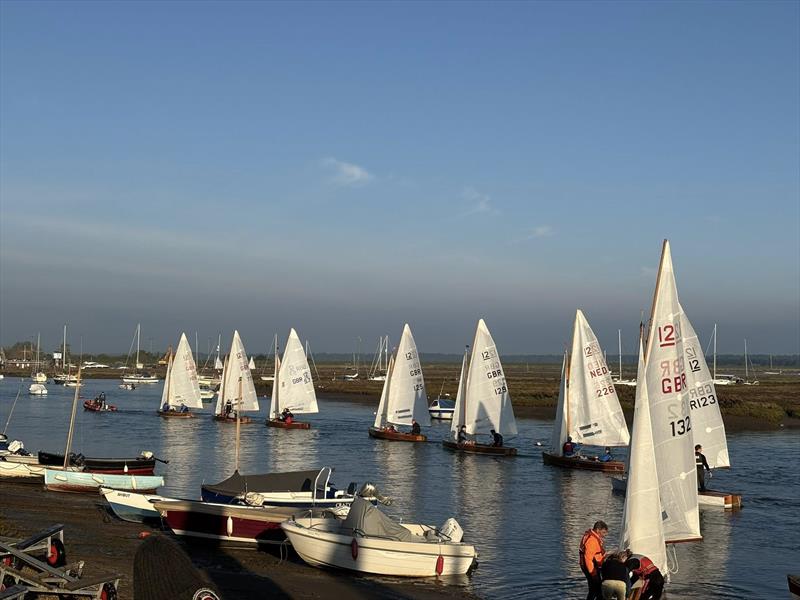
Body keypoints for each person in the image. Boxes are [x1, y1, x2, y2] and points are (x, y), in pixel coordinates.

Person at [579, 520, 608, 600]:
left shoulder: (592, 537)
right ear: (598, 530)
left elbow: (596, 554)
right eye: (603, 532)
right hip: (591, 568)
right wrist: (593, 573)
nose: (605, 535)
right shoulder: (592, 540)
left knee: (594, 589)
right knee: (596, 589)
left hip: (591, 566)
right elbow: (588, 559)